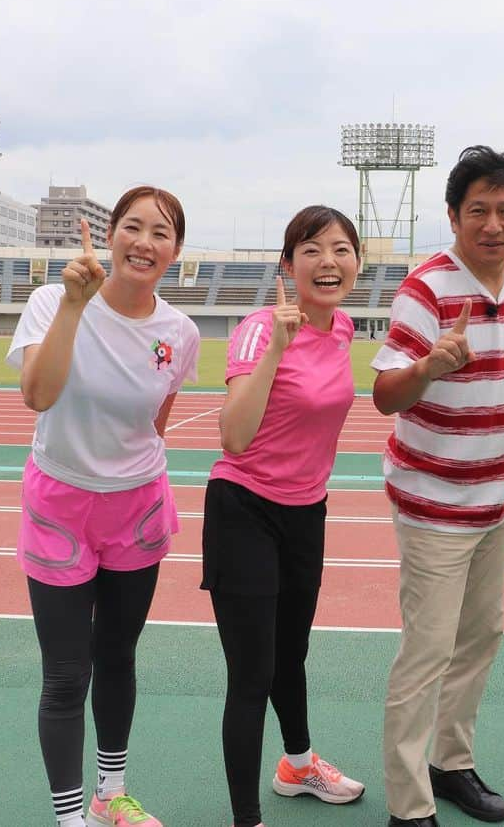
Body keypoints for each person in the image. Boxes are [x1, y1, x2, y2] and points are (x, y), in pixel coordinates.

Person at [372, 145, 504, 827]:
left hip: (496, 497)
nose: (493, 224)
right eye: (478, 210)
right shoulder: (425, 289)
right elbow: (384, 395)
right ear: (454, 215)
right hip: (432, 505)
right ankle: (408, 805)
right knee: (426, 652)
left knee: (481, 636)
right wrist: (430, 365)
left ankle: (451, 764)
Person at [7, 187, 200, 827]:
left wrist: (121, 472)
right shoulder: (50, 301)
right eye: (134, 227)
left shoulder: (180, 332)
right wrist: (72, 304)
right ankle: (71, 818)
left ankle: (109, 793)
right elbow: (38, 394)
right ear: (110, 234)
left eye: (162, 232)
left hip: (136, 509)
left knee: (118, 656)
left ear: (175, 250)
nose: (145, 242)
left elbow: (156, 422)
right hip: (59, 505)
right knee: (66, 673)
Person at [201, 205, 366, 827]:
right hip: (244, 508)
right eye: (312, 250)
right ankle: (248, 818)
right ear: (287, 264)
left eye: (341, 249)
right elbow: (234, 436)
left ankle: (297, 767)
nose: (329, 262)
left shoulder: (345, 327)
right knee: (251, 674)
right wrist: (278, 344)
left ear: (356, 262)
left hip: (306, 512)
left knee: (290, 654)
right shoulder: (257, 329)